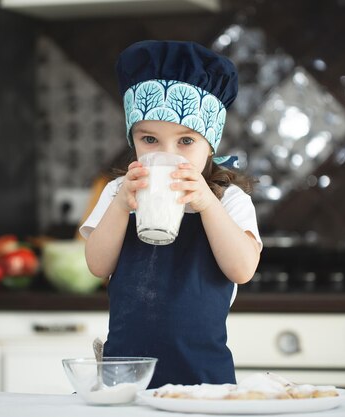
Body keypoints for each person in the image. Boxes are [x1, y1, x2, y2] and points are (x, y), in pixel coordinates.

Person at [79, 40, 262, 389]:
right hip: (125, 382)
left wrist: (207, 204)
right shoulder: (119, 193)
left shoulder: (228, 201)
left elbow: (241, 269)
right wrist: (120, 206)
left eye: (186, 141)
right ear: (132, 140)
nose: (167, 154)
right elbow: (98, 266)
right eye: (149, 139)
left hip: (204, 383)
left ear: (211, 143)